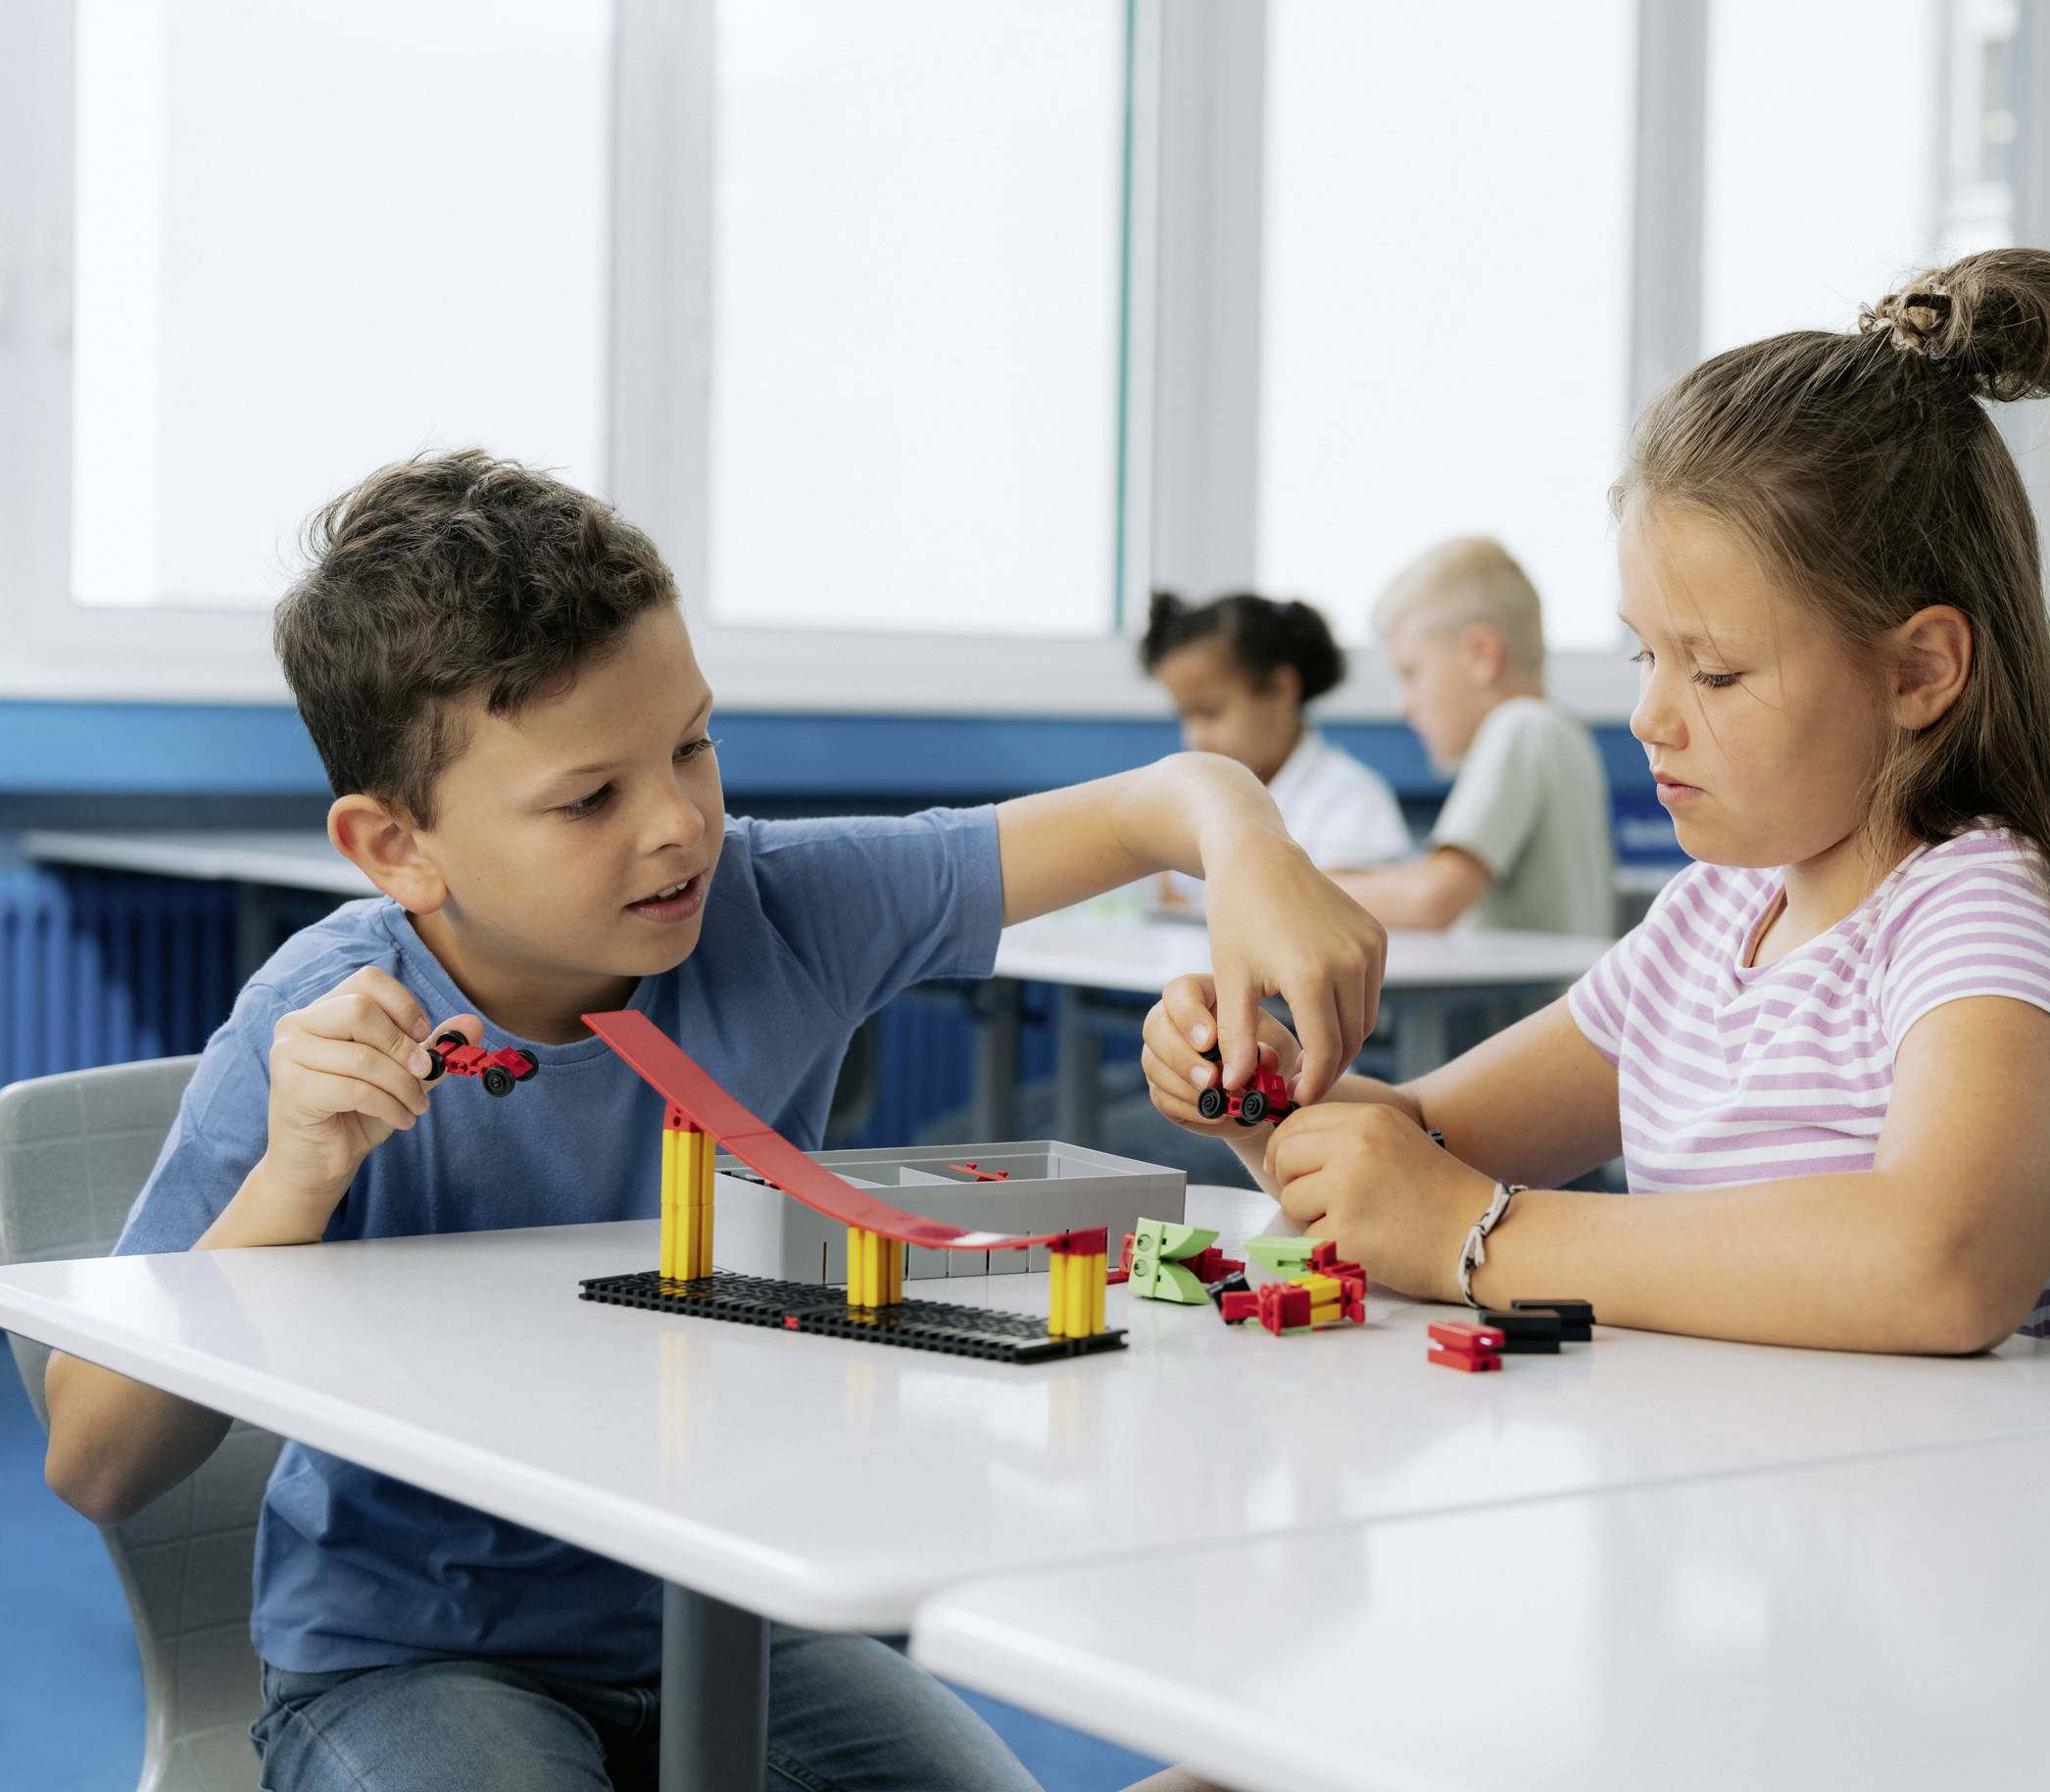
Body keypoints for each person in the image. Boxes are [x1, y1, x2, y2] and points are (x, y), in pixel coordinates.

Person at [40, 452, 1384, 1792]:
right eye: (590, 798)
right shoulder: (323, 1028)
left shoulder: (783, 908)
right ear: (397, 848)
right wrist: (292, 1180)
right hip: (416, 1657)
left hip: (726, 1613)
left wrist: (1250, 845)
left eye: (691, 743)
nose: (682, 826)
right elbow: (93, 1458)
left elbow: (1161, 801)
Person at [1138, 249, 2050, 1360]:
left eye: (1717, 671)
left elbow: (1942, 1262)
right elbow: (1413, 1144)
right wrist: (1250, 1089)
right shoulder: (1703, 926)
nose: (1651, 715)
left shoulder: (1981, 911)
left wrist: (1475, 1233)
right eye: (1646, 654)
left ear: (1919, 671)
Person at [1325, 538, 1616, 936]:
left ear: (1481, 655)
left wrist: (1291, 887)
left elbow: (1432, 898)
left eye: (1412, 674)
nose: (1403, 706)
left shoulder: (1520, 727)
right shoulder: (1558, 730)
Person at [1140, 590, 1412, 869]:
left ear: (1280, 690)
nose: (1194, 737)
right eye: (1184, 715)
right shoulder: (1194, 801)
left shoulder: (1352, 801)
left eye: (1210, 712)